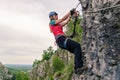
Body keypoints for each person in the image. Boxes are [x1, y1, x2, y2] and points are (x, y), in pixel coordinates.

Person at [48, 9, 87, 74]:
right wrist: (70, 12)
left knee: (76, 50)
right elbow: (62, 19)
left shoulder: (57, 25)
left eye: (57, 15)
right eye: (55, 15)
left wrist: (71, 15)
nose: (57, 16)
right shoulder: (52, 22)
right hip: (61, 39)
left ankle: (76, 69)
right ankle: (79, 67)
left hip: (60, 41)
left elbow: (66, 22)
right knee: (77, 46)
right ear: (52, 17)